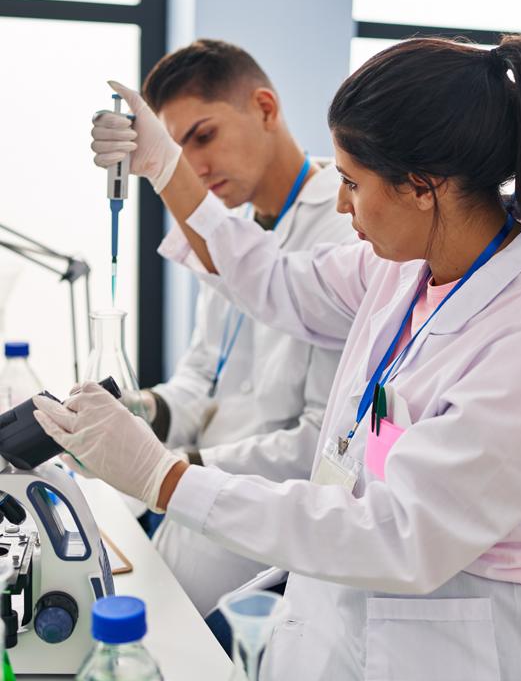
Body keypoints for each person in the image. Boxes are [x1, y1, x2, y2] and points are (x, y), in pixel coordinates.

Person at [35, 35, 521, 681]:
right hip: (333, 611)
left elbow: (399, 534)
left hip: (442, 646)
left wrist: (166, 477)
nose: (342, 202)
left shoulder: (515, 338)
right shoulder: (403, 270)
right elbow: (271, 279)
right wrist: (163, 167)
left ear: (421, 187)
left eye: (352, 182)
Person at [117, 39, 353, 615]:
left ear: (265, 108)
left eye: (204, 136)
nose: (194, 168)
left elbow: (322, 441)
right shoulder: (233, 234)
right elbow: (203, 376)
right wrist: (143, 409)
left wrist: (183, 469)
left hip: (262, 529)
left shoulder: (345, 229)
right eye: (176, 151)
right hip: (193, 504)